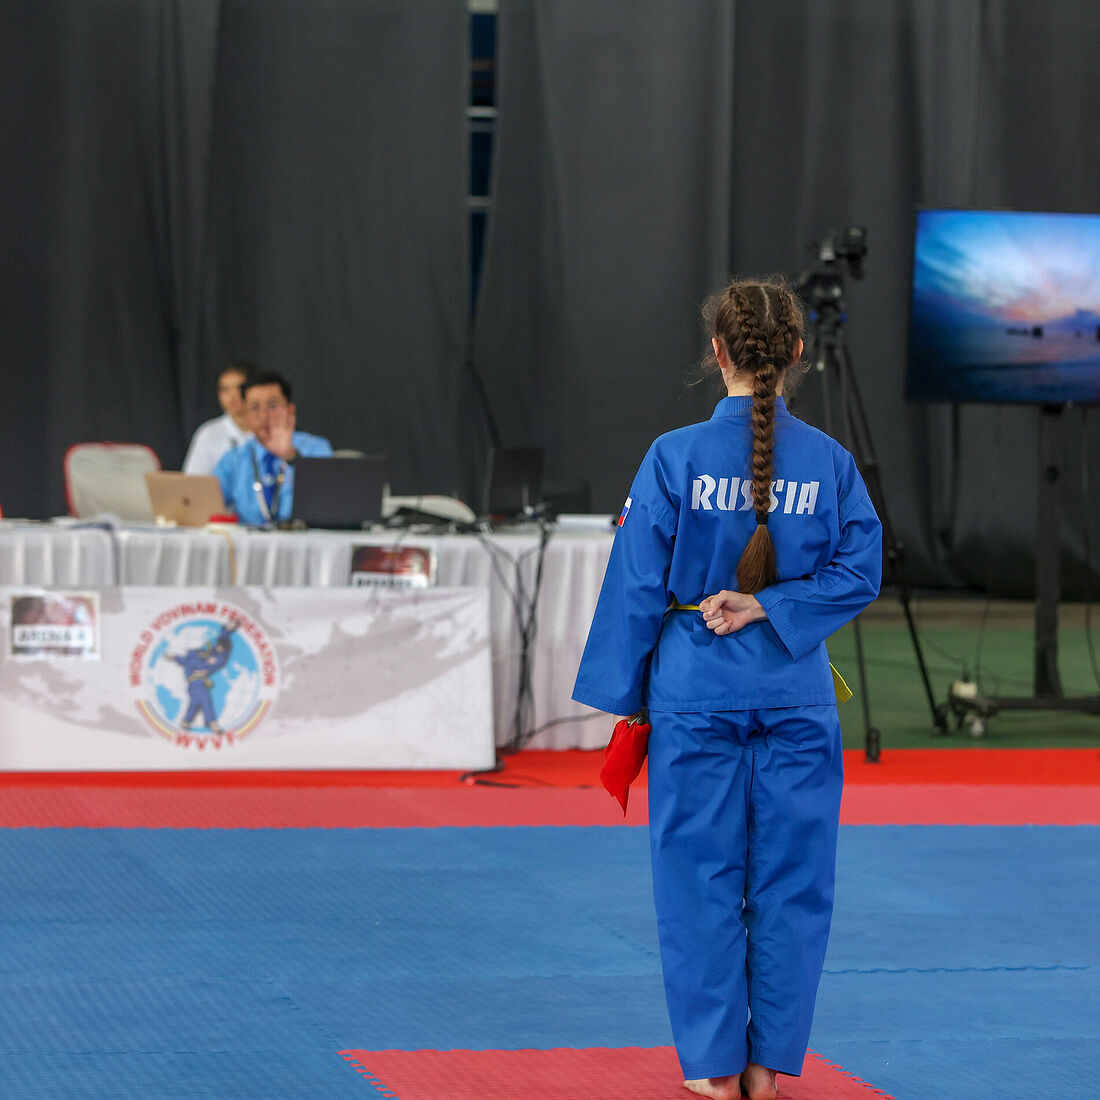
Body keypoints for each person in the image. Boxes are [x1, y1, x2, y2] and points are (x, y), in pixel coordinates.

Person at [572, 278, 882, 1100]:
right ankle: (766, 1067)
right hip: (795, 693)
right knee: (794, 885)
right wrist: (774, 606)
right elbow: (862, 570)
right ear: (798, 353)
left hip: (696, 688)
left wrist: (628, 695)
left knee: (697, 880)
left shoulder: (673, 456)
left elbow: (637, 584)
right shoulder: (831, 463)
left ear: (717, 354)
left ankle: (712, 1068)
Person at [214, 370, 333, 525]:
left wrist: (291, 457)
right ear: (245, 415)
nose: (264, 415)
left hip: (305, 537)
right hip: (249, 539)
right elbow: (207, 506)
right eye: (254, 407)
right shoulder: (234, 459)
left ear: (290, 409)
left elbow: (330, 499)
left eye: (272, 406)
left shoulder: (316, 448)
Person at [182, 362, 256, 475]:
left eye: (240, 388)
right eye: (225, 389)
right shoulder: (208, 433)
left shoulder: (267, 430)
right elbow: (193, 479)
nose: (232, 396)